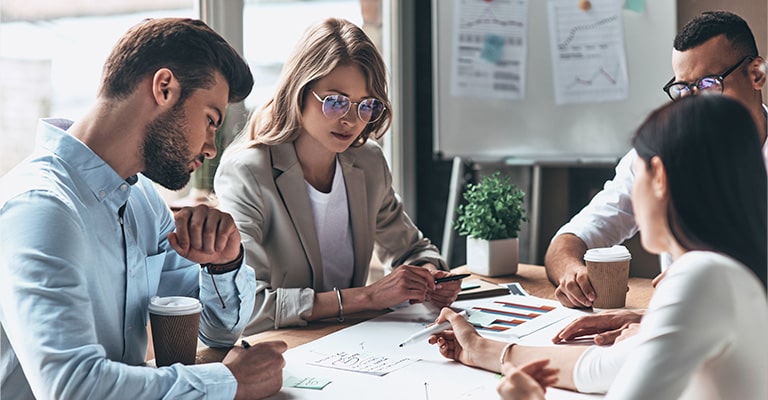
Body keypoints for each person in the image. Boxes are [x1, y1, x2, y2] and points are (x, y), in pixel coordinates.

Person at [0, 18, 286, 399]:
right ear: (164, 88)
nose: (211, 146)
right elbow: (71, 388)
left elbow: (217, 332)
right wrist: (231, 383)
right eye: (211, 120)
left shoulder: (142, 202)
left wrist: (223, 263)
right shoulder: (41, 207)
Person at [431, 95, 768, 399]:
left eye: (637, 174)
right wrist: (479, 349)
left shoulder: (701, 278)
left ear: (659, 176)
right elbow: (601, 367)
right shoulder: (723, 275)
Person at [214, 17, 461, 335]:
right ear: (299, 92)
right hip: (282, 348)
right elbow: (248, 305)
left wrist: (428, 277)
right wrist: (368, 296)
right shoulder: (247, 173)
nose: (350, 120)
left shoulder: (368, 162)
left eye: (365, 106)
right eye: (335, 102)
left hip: (354, 342)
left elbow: (413, 250)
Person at [545, 10, 768, 311]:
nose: (693, 105)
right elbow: (575, 236)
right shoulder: (657, 155)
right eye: (684, 89)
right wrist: (571, 271)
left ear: (756, 74)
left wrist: (700, 290)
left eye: (709, 85)